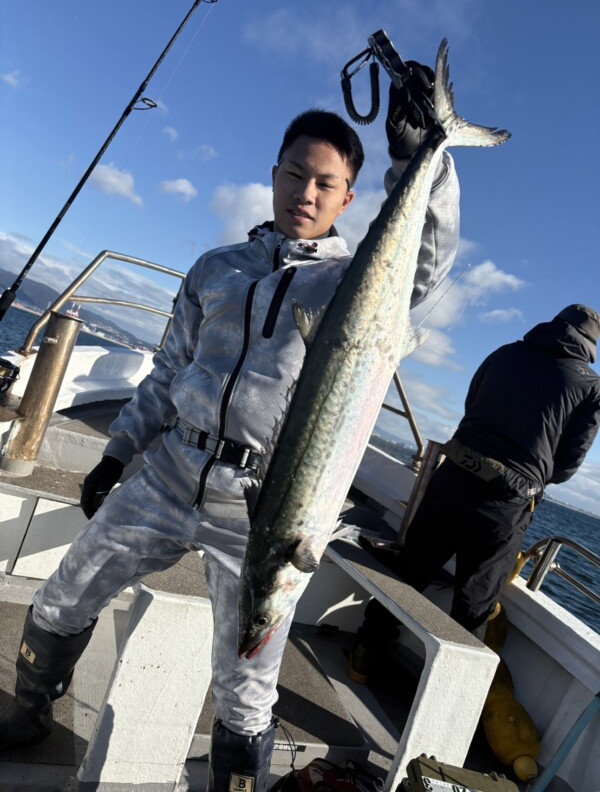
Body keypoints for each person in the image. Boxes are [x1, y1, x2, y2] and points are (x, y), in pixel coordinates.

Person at [0, 64, 460, 791]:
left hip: (260, 504)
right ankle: (28, 714)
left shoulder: (348, 283)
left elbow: (425, 266)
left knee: (247, 680)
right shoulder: (217, 268)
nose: (304, 194)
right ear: (274, 174)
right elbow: (167, 370)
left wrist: (422, 159)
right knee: (63, 595)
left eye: (325, 185)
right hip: (168, 470)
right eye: (294, 174)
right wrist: (116, 454)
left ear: (345, 198)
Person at [348, 303, 600, 684]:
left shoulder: (505, 353)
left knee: (411, 568)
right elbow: (566, 465)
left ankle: (364, 658)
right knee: (474, 605)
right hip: (505, 503)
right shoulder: (591, 387)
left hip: (452, 476)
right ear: (591, 345)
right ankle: (443, 703)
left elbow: (472, 405)